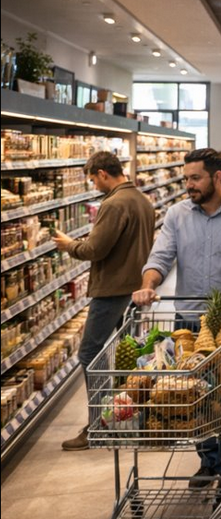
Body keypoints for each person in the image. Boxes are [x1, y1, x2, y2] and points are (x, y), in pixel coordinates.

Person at [133, 148, 221, 493]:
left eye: (195, 178)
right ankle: (208, 460)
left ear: (217, 177)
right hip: (188, 322)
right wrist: (148, 285)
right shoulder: (177, 214)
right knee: (193, 394)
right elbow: (160, 258)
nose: (189, 185)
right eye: (186, 178)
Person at [54, 152, 155, 450]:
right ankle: (127, 417)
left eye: (93, 179)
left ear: (102, 173)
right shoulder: (142, 199)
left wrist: (69, 245)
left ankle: (98, 425)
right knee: (127, 356)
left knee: (90, 355)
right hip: (133, 287)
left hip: (112, 290)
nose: (93, 185)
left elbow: (95, 250)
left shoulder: (113, 204)